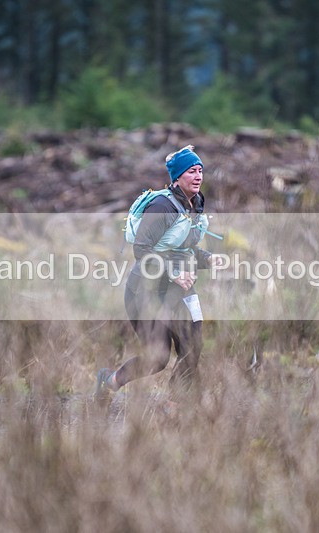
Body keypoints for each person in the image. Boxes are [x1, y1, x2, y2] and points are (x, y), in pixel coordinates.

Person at [96, 145, 222, 401]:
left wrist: (208, 258)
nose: (198, 176)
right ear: (177, 177)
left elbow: (181, 246)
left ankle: (179, 403)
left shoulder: (194, 203)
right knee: (158, 357)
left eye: (200, 171)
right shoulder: (162, 206)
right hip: (146, 290)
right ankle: (109, 381)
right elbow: (141, 248)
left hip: (180, 289)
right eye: (191, 171)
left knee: (192, 346)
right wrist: (173, 274)